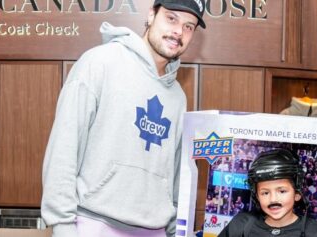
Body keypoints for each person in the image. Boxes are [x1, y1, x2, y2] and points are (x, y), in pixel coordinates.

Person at [40, 1, 206, 237]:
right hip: (94, 223)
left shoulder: (177, 96)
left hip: (155, 229)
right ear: (151, 15)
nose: (179, 31)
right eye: (171, 19)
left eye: (189, 26)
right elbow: (63, 150)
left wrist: (173, 230)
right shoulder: (99, 63)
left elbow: (177, 171)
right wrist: (63, 226)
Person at [218, 149, 317, 237]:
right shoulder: (241, 225)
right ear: (256, 196)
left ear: (297, 193)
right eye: (265, 193)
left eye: (282, 191)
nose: (273, 199)